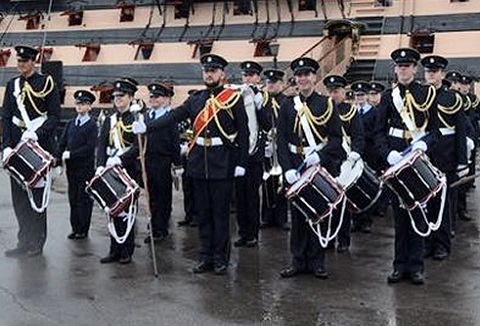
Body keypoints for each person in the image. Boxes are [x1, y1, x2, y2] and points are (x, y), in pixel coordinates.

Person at [132, 54, 249, 275]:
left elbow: (243, 133)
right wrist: (147, 127)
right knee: (203, 214)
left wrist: (241, 162)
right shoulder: (196, 99)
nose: (209, 74)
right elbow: (173, 116)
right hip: (198, 163)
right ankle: (205, 256)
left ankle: (221, 259)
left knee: (220, 215)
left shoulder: (232, 98)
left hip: (222, 163)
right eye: (206, 70)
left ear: (222, 74)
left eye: (214, 70)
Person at [374, 48, 440, 285]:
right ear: (395, 69)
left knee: (418, 212)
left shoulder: (427, 94)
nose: (403, 69)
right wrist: (387, 153)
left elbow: (434, 130)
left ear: (415, 68)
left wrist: (424, 145)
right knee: (400, 215)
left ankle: (416, 267)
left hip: (417, 159)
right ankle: (399, 266)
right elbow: (378, 132)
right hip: (396, 161)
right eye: (399, 66)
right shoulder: (388, 96)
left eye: (407, 66)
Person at [277, 57, 345, 279]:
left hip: (318, 166)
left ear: (315, 78)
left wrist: (321, 156)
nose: (303, 78)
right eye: (299, 75)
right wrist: (286, 168)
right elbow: (281, 141)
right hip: (296, 165)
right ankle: (298, 260)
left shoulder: (326, 104)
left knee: (318, 214)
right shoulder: (287, 105)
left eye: (307, 74)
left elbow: (336, 140)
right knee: (297, 215)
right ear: (295, 78)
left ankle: (317, 261)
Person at [2, 45, 61, 257]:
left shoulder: (46, 83)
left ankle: (37, 242)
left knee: (36, 197)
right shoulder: (12, 85)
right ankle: (23, 241)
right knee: (19, 198)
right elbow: (6, 117)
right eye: (19, 61)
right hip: (17, 146)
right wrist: (6, 146)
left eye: (25, 61)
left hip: (38, 145)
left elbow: (55, 116)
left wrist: (38, 133)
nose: (21, 65)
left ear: (33, 62)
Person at [421, 55, 467, 261]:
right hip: (424, 157)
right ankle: (427, 243)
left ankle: (442, 244)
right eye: (428, 71)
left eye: (435, 71)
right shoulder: (419, 96)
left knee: (443, 203)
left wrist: (462, 161)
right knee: (425, 201)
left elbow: (460, 132)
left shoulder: (452, 98)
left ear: (442, 74)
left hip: (445, 156)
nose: (431, 74)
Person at [96, 77, 141, 265]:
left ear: (130, 97)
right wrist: (100, 165)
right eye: (115, 96)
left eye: (121, 96)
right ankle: (114, 249)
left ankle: (126, 250)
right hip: (110, 170)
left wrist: (121, 159)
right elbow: (101, 143)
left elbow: (139, 146)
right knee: (112, 210)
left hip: (128, 169)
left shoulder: (137, 118)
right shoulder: (110, 119)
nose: (117, 99)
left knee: (127, 211)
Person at [323, 76, 365, 252]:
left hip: (344, 160)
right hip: (327, 159)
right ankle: (328, 237)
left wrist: (355, 152)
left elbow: (358, 135)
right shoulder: (322, 109)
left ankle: (344, 239)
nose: (333, 94)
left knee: (343, 202)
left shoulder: (350, 111)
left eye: (337, 91)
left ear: (343, 91)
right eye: (331, 91)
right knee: (326, 200)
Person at [233, 60, 272, 248]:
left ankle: (252, 233)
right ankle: (242, 232)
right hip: (239, 153)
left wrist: (259, 105)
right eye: (245, 75)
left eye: (251, 75)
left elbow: (267, 124)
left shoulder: (264, 97)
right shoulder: (236, 96)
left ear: (258, 78)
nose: (247, 78)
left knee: (252, 196)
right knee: (239, 196)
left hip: (255, 154)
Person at [142, 81, 182, 244]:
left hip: (163, 160)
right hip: (148, 159)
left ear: (165, 99)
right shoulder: (146, 116)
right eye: (151, 96)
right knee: (151, 195)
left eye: (157, 97)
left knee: (163, 195)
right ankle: (154, 224)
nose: (153, 99)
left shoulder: (169, 118)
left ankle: (161, 228)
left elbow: (174, 142)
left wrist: (177, 164)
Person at [57, 90, 97, 240]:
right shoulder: (71, 124)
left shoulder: (92, 125)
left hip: (85, 167)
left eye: (83, 104)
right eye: (78, 104)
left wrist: (71, 154)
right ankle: (75, 228)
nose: (79, 106)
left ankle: (83, 229)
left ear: (89, 107)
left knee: (84, 198)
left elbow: (89, 147)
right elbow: (62, 142)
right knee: (73, 197)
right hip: (71, 167)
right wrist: (58, 160)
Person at [260, 69, 289, 231]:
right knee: (266, 182)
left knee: (281, 183)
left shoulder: (286, 101)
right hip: (266, 146)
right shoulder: (262, 101)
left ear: (281, 84)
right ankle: (266, 216)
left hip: (281, 146)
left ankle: (281, 217)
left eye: (274, 82)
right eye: (269, 82)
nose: (271, 85)